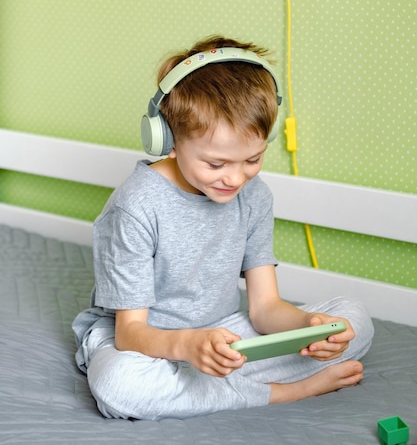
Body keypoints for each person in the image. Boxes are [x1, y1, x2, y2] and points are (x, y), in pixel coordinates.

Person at [72, 35, 374, 421]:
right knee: (119, 385)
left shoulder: (255, 196)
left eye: (252, 158)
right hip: (145, 342)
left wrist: (309, 327)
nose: (234, 178)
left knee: (355, 321)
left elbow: (265, 309)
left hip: (224, 333)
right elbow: (131, 333)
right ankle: (282, 392)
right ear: (168, 138)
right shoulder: (135, 207)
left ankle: (207, 387)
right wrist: (188, 346)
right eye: (216, 164)